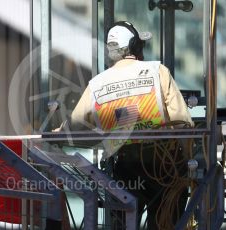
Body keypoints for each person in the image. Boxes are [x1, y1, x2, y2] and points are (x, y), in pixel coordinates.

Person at [58, 21, 193, 229]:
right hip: (164, 162)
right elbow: (182, 123)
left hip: (124, 165)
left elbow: (74, 126)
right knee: (168, 214)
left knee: (123, 220)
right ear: (136, 46)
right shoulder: (157, 71)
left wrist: (57, 132)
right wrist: (189, 165)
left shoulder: (97, 83)